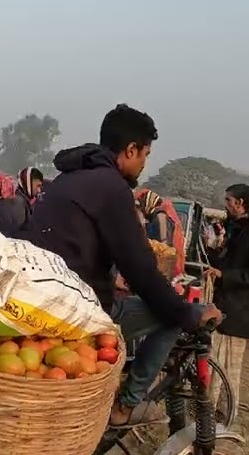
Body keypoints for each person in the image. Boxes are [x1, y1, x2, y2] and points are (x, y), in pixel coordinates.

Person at [23, 104, 221, 427]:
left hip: (43, 296)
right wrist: (188, 313)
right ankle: (125, 405)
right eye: (145, 155)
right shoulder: (112, 187)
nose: (144, 163)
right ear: (130, 150)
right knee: (172, 318)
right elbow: (141, 269)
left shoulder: (69, 177)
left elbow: (75, 243)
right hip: (77, 311)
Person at [208, 183, 249, 405]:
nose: (225, 205)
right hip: (227, 305)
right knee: (215, 363)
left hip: (241, 310)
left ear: (240, 203)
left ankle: (224, 413)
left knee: (228, 369)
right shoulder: (238, 227)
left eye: (228, 201)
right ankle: (210, 409)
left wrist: (224, 275)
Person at [136, 188, 185, 278]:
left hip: (162, 266)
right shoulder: (154, 217)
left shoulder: (160, 217)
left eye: (141, 205)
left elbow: (164, 245)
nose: (141, 209)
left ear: (147, 204)